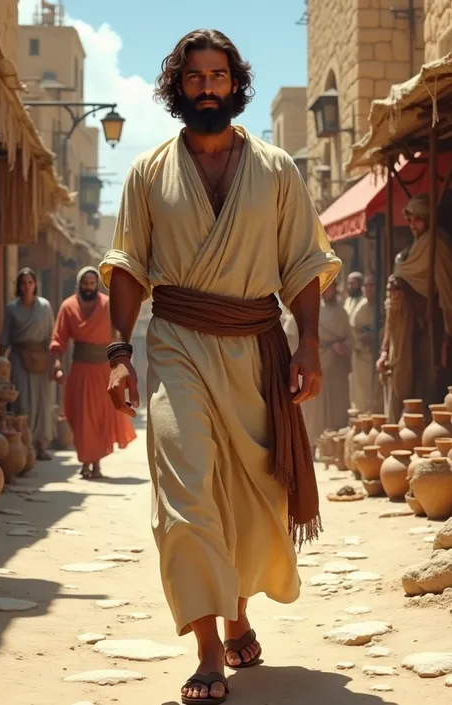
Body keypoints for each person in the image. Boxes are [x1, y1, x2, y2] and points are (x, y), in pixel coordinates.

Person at [99, 29, 341, 704]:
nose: (208, 87)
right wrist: (120, 351)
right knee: (186, 489)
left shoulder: (276, 170)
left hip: (254, 342)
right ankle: (208, 648)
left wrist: (311, 341)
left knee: (248, 493)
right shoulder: (148, 173)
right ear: (177, 87)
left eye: (219, 76)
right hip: (175, 340)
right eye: (195, 77)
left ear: (237, 84)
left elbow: (303, 262)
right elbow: (126, 264)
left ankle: (238, 611)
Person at [50, 267, 136, 479]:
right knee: (80, 417)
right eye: (85, 282)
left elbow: (119, 335)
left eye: (92, 282)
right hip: (79, 370)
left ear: (96, 284)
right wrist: (57, 365)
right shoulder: (68, 306)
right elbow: (58, 340)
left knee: (100, 418)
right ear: (79, 284)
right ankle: (85, 462)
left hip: (103, 371)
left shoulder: (108, 305)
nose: (89, 286)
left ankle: (95, 463)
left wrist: (120, 366)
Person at [376, 193, 452, 420]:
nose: (412, 225)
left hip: (428, 323)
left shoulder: (436, 243)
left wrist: (447, 335)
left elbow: (447, 289)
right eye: (409, 220)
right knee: (405, 376)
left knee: (426, 379)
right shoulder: (416, 246)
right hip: (405, 325)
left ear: (428, 217)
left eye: (417, 219)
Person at [0, 268, 54, 460]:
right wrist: (0, 362)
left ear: (35, 284)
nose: (27, 286)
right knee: (22, 402)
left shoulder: (45, 306)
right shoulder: (12, 309)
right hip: (19, 357)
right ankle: (23, 445)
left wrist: (54, 363)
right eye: (23, 283)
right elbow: (5, 338)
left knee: (42, 402)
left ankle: (40, 445)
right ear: (19, 286)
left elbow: (51, 336)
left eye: (30, 282)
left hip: (41, 358)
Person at [302, 281, 351, 451]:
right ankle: (315, 444)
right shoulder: (314, 309)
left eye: (328, 287)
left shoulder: (341, 312)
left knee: (337, 404)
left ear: (335, 288)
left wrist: (344, 347)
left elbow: (351, 339)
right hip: (317, 361)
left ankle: (336, 446)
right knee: (316, 406)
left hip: (336, 365)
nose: (325, 291)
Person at [349, 274, 376, 413]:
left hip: (376, 355)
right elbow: (355, 331)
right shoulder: (360, 308)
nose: (369, 289)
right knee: (362, 390)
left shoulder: (381, 306)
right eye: (367, 286)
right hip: (362, 355)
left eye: (372, 285)